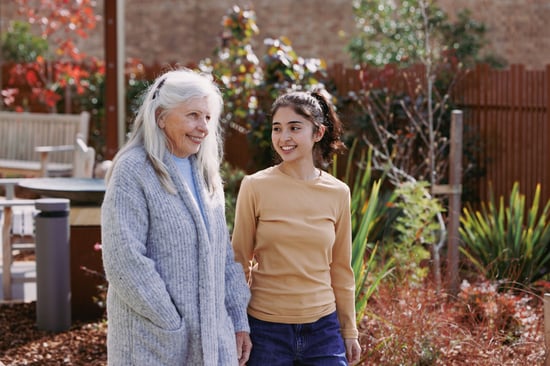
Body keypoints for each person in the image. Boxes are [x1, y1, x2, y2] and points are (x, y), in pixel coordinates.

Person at [101, 68, 252, 365]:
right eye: (193, 115)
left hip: (214, 340)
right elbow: (124, 260)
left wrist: (237, 319)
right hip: (153, 342)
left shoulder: (206, 175)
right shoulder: (133, 170)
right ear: (160, 117)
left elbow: (223, 254)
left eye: (208, 117)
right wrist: (170, 320)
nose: (204, 127)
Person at [231, 89, 362, 365]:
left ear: (318, 133)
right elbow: (238, 261)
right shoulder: (255, 186)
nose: (283, 138)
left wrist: (349, 330)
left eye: (294, 128)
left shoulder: (338, 192)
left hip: (323, 329)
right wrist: (238, 324)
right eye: (277, 129)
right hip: (266, 329)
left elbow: (341, 268)